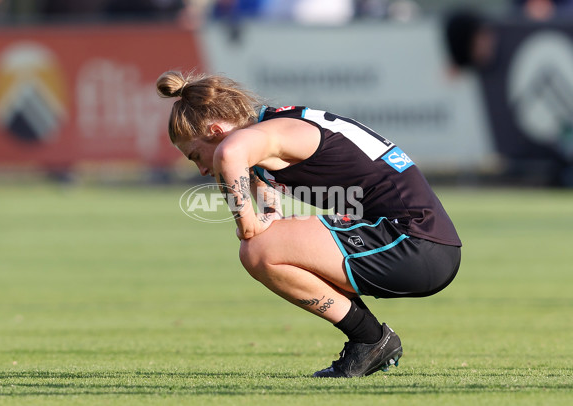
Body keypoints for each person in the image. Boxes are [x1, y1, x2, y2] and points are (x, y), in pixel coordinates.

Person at [156, 71, 462, 378]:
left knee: (258, 250)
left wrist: (246, 225)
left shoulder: (249, 140)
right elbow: (265, 202)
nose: (200, 170)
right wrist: (263, 216)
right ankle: (369, 340)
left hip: (414, 244)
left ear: (216, 129)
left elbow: (230, 155)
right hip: (418, 241)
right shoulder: (268, 130)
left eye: (196, 155)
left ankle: (370, 339)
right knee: (265, 245)